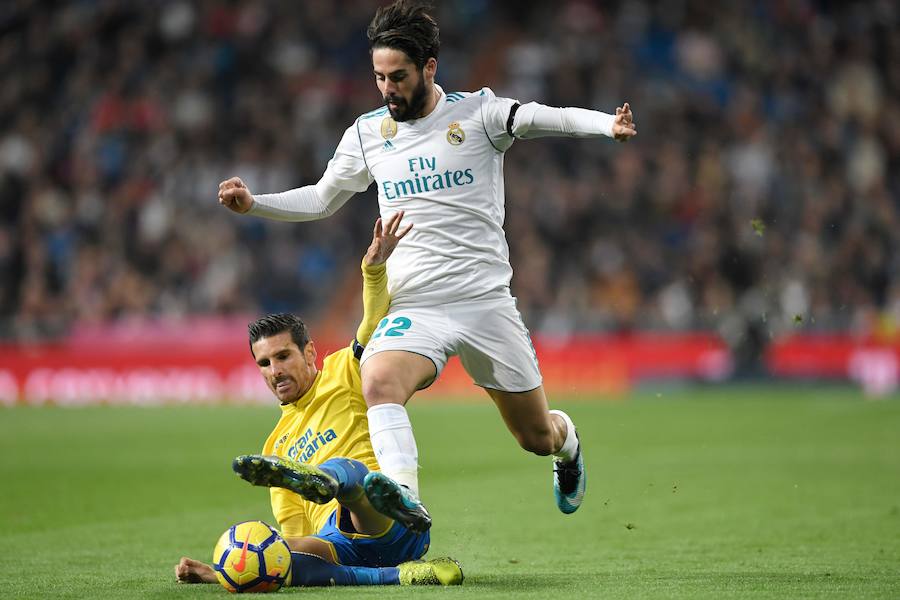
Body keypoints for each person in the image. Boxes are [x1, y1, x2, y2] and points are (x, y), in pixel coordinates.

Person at [216, 0, 637, 532]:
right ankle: (404, 495)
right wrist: (256, 204)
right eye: (378, 78)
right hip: (416, 303)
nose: (387, 89)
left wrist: (607, 125)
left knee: (535, 438)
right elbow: (323, 198)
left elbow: (539, 117)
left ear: (429, 67)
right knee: (378, 381)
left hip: (485, 303)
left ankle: (568, 445)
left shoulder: (478, 114)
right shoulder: (368, 133)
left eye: (398, 76)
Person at [174, 212, 463, 587]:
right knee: (281, 555)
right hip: (340, 546)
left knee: (350, 475)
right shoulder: (276, 445)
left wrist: (373, 271)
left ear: (310, 353)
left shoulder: (346, 370)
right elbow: (294, 539)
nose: (274, 370)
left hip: (392, 519)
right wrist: (226, 571)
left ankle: (328, 480)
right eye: (264, 363)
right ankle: (400, 576)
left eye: (283, 356)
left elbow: (373, 322)